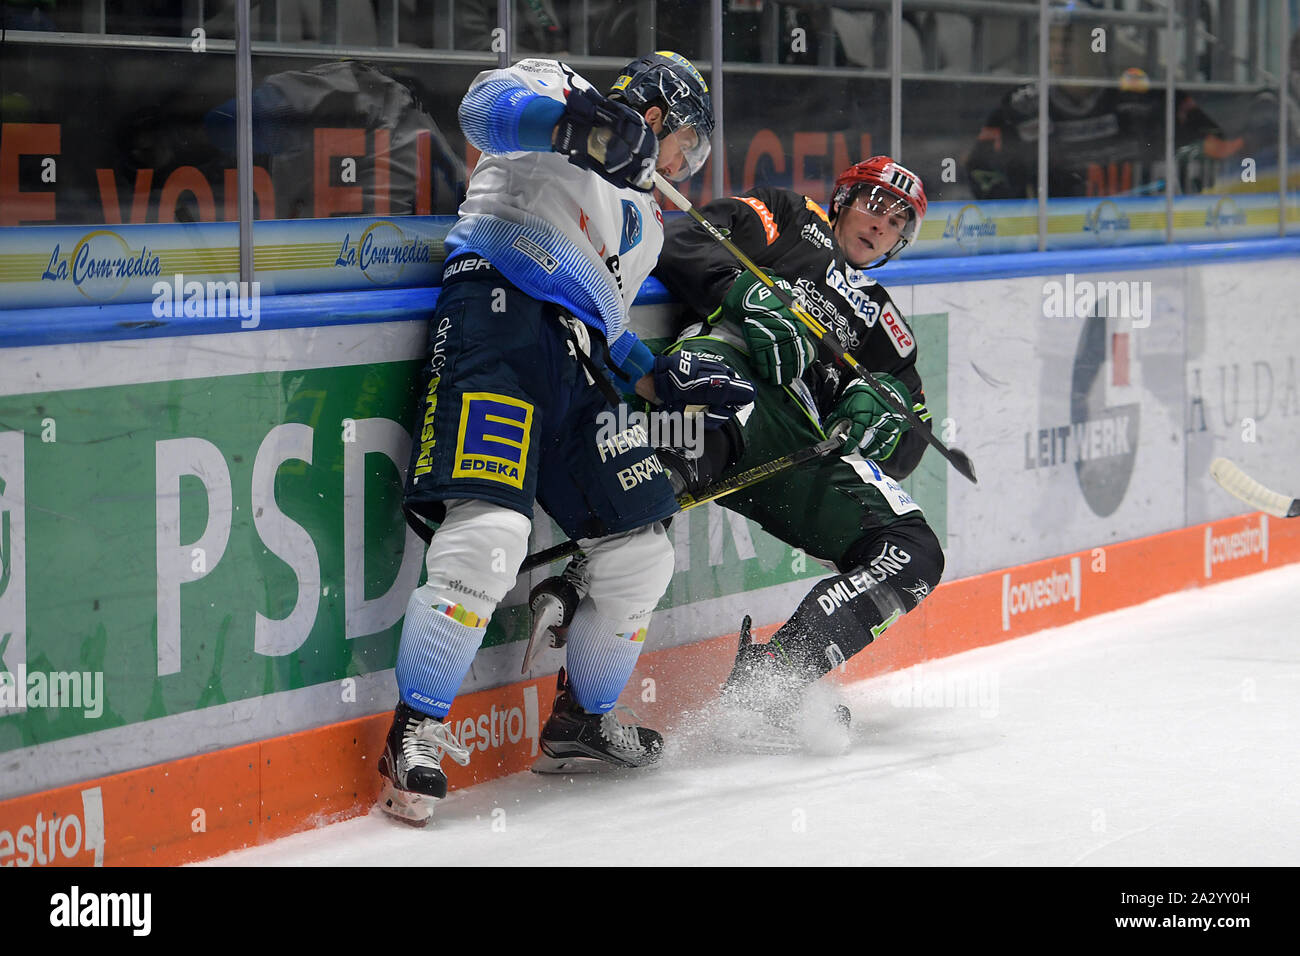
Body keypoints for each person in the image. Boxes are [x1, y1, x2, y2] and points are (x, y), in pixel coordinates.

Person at [378, 51, 753, 824]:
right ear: (657, 114)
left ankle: (580, 723)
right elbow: (481, 109)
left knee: (641, 548)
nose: (686, 165)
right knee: (488, 534)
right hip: (497, 321)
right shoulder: (563, 90)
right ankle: (413, 734)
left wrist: (664, 379)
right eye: (688, 143)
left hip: (579, 363)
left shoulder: (647, 214)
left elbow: (605, 320)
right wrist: (581, 126)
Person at [646, 156, 944, 750]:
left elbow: (915, 436)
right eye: (874, 204)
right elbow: (679, 237)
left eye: (899, 220)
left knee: (914, 553)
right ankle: (612, 536)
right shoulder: (787, 217)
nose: (882, 224)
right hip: (726, 379)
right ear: (840, 201)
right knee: (708, 408)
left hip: (798, 447)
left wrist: (884, 416)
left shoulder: (883, 323)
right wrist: (746, 295)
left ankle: (777, 674)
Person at [965, 0, 1240, 199]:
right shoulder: (1021, 108)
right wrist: (1018, 218)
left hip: (1139, 246)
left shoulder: (1144, 97)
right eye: (1054, 39)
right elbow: (981, 170)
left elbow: (1216, 143)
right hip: (1058, 250)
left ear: (1098, 43)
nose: (1059, 50)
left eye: (1071, 40)